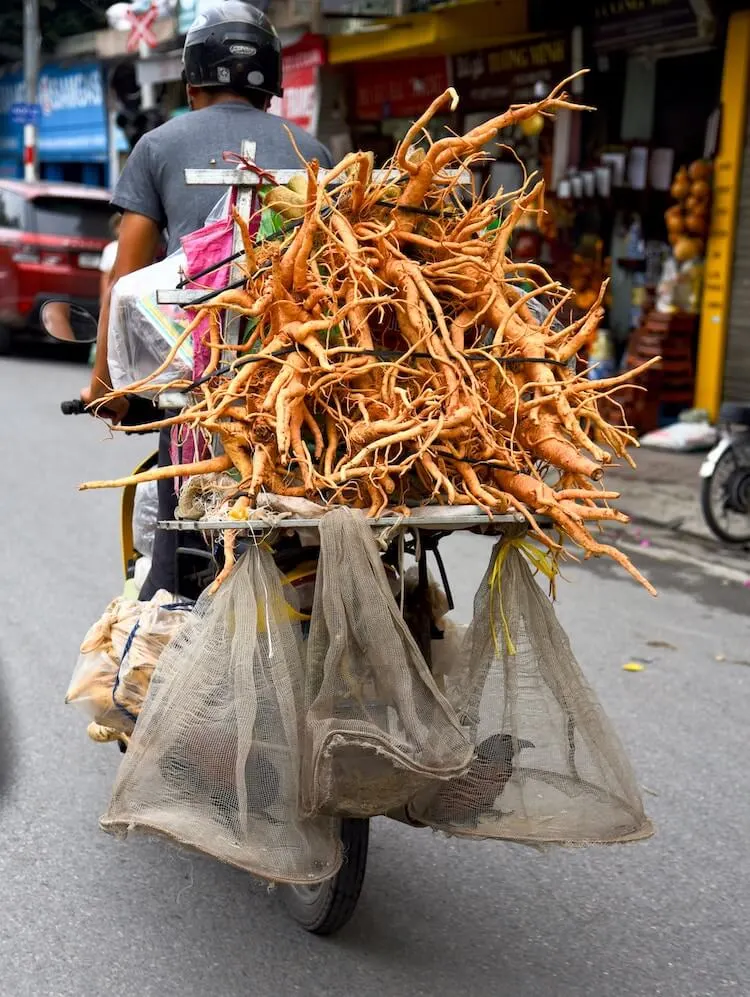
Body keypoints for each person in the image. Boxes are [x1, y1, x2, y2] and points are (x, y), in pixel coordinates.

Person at [82, 0, 332, 599]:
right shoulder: (315, 153)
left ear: (192, 80)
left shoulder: (158, 146)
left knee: (174, 566)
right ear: (271, 83)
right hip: (298, 382)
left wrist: (103, 387)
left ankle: (167, 622)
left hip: (196, 393)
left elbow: (123, 276)